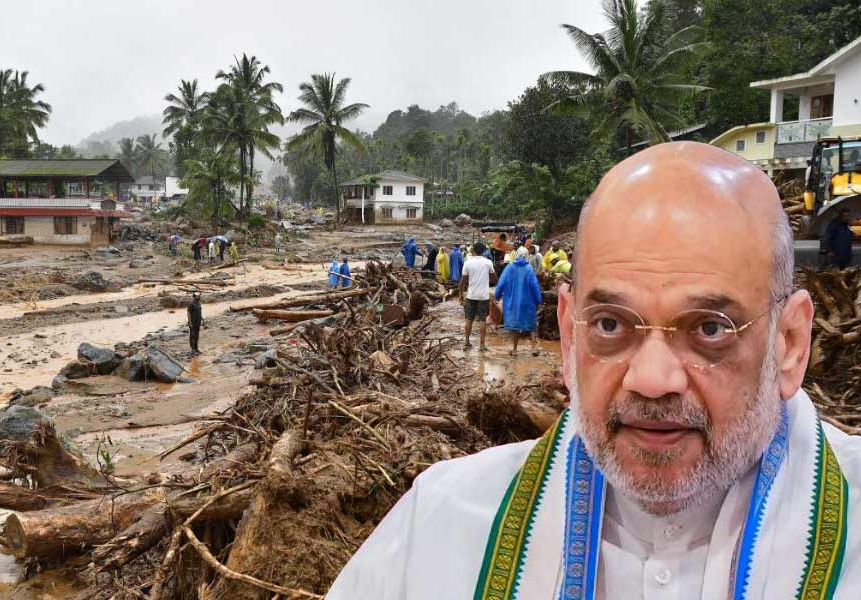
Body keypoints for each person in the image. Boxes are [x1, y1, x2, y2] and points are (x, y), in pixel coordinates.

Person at [326, 142, 861, 600]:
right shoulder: (439, 530)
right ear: (568, 334)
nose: (651, 380)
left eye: (710, 329)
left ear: (791, 344)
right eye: (610, 324)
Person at [494, 246, 542, 356]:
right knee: (532, 324)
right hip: (528, 301)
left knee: (516, 325)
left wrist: (497, 295)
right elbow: (534, 285)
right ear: (526, 256)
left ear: (517, 255)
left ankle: (515, 350)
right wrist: (538, 299)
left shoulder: (509, 267)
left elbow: (501, 282)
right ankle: (534, 348)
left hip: (513, 301)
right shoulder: (529, 268)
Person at [458, 241, 495, 351]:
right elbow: (494, 278)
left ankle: (467, 342)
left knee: (469, 319)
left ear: (473, 250)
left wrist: (460, 294)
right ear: (484, 251)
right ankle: (482, 345)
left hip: (471, 295)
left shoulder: (468, 263)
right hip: (483, 296)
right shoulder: (488, 262)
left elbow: (462, 282)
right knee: (482, 320)